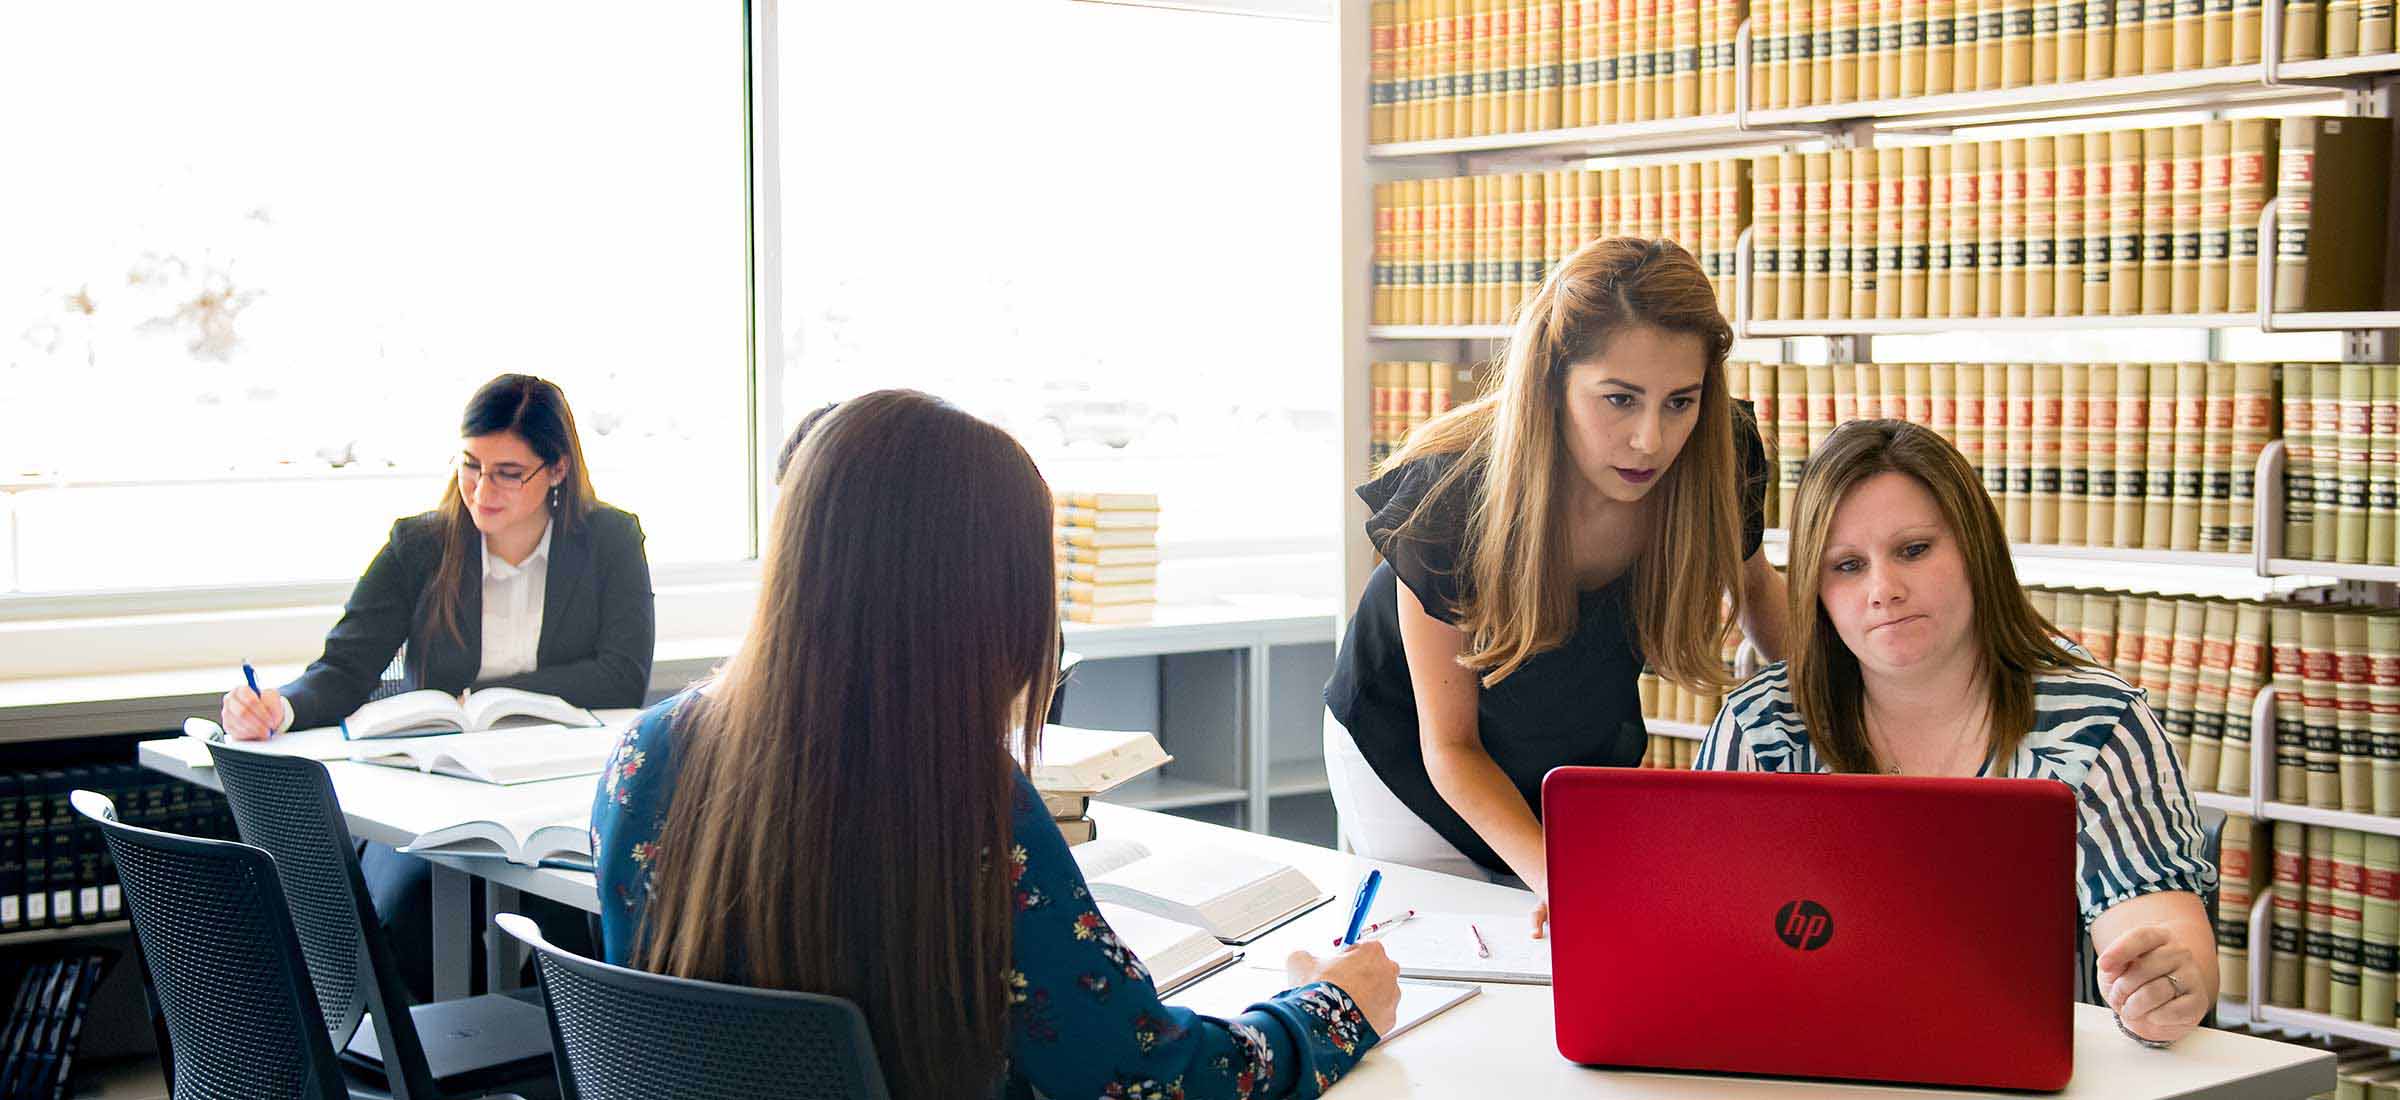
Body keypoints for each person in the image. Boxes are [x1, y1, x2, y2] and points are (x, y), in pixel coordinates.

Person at [591, 390, 1400, 1100]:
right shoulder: (962, 803)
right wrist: (1330, 1010)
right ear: (983, 599)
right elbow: (1145, 1077)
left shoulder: (645, 755)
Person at [1695, 418, 2218, 1046]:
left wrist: (2165, 983)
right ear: (1815, 589)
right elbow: (1705, 925)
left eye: (1914, 549)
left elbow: (2153, 916)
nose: (1883, 590)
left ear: (1975, 550)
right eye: (1848, 565)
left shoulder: (2096, 722)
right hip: (1801, 1058)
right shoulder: (1761, 725)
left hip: (2011, 1070)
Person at [1323, 237, 1787, 928]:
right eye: (1620, 399)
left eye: (1679, 402)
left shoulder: (1720, 453)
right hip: (1410, 762)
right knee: (1467, 962)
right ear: (1552, 383)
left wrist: (1866, 700)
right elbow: (1449, 749)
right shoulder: (1451, 498)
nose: (1651, 441)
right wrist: (1555, 878)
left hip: (1571, 751)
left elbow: (1764, 607)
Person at [220, 372, 655, 998]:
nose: (482, 488)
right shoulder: (420, 544)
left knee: (578, 935)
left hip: (553, 791)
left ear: (556, 470)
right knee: (397, 923)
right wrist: (277, 707)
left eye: (509, 472)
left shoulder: (610, 539)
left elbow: (624, 676)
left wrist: (486, 701)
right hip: (436, 792)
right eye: (471, 464)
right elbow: (344, 669)